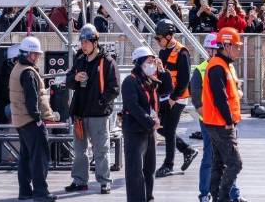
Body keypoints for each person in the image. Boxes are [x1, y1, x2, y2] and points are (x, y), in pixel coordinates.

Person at [65, 24, 120, 194]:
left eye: (86, 42)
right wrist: (75, 77)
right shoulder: (80, 60)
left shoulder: (107, 61)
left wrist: (101, 103)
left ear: (95, 42)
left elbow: (114, 88)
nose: (83, 45)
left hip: (98, 114)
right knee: (80, 151)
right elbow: (68, 81)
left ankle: (104, 181)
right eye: (82, 41)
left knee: (101, 150)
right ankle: (80, 180)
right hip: (80, 113)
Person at [191, 33, 246, 202]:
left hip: (218, 121)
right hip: (219, 123)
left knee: (218, 162)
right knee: (233, 163)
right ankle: (217, 196)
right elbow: (218, 97)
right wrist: (228, 121)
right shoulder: (214, 67)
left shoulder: (225, 66)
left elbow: (230, 92)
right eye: (236, 47)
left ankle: (219, 196)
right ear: (227, 46)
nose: (239, 50)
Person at [9, 36, 60, 202]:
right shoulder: (28, 73)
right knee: (39, 158)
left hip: (20, 120)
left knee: (25, 157)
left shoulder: (17, 68)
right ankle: (41, 192)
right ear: (29, 54)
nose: (38, 57)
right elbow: (32, 100)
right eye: (36, 54)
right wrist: (38, 119)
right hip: (31, 121)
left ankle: (24, 191)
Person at [154, 19, 198, 177]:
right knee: (160, 127)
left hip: (177, 98)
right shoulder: (162, 52)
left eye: (159, 38)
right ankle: (187, 150)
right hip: (166, 96)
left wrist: (173, 97)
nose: (157, 41)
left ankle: (169, 164)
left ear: (168, 36)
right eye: (156, 38)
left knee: (169, 129)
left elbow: (185, 79)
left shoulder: (182, 52)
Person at [121, 45, 161, 202]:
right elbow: (133, 106)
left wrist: (162, 71)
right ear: (139, 63)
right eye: (149, 61)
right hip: (135, 131)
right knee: (134, 171)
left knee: (149, 168)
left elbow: (166, 90)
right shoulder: (130, 82)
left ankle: (148, 197)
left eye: (153, 61)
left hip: (149, 130)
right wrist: (150, 122)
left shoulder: (150, 81)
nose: (152, 64)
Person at [0, 44, 21, 125]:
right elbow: (9, 96)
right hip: (2, 113)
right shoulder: (6, 76)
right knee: (23, 106)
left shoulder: (21, 72)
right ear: (14, 61)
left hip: (9, 109)